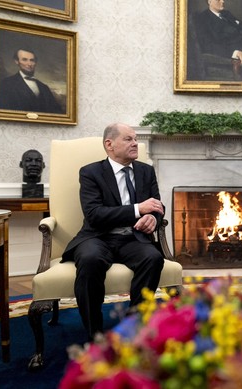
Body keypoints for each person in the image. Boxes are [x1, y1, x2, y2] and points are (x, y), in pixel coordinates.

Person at [62, 123, 165, 340]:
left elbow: (157, 206)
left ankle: (133, 326)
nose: (136, 143)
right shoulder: (91, 172)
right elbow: (94, 214)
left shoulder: (146, 171)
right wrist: (139, 209)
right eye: (128, 139)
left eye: (136, 138)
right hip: (97, 236)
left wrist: (152, 219)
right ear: (109, 144)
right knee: (90, 260)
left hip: (132, 238)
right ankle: (95, 332)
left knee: (153, 258)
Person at [0, 48, 63, 114]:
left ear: (35, 62)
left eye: (32, 60)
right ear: (17, 61)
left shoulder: (44, 88)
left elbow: (57, 112)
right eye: (24, 60)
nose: (29, 64)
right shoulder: (6, 84)